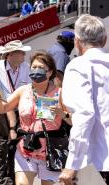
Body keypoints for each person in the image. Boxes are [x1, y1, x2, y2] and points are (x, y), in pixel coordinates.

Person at [0, 50, 71, 185]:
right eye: (34, 67)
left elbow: (73, 120)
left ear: (50, 72)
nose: (36, 70)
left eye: (41, 68)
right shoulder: (23, 90)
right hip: (26, 148)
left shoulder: (60, 93)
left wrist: (61, 113)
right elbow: (2, 109)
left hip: (50, 149)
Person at [59, 14, 109, 185]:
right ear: (104, 40)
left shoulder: (78, 66)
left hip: (98, 160)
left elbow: (84, 115)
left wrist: (72, 163)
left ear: (77, 42)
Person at [0, 40, 31, 185]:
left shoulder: (26, 67)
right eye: (21, 52)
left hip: (20, 112)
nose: (24, 54)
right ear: (11, 54)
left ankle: (11, 178)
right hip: (1, 111)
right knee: (2, 144)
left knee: (17, 146)